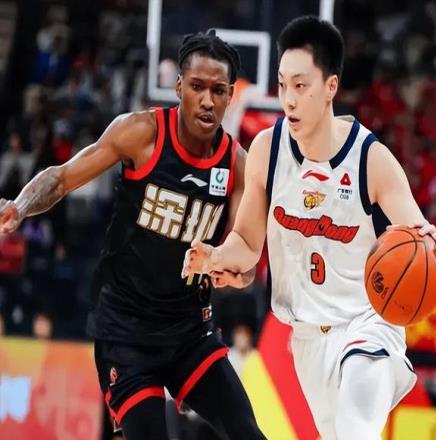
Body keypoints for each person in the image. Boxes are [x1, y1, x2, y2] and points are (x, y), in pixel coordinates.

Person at [183, 16, 436, 440]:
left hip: (367, 325)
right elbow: (247, 243)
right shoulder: (267, 151)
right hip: (307, 338)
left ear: (330, 87)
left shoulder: (371, 160)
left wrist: (431, 246)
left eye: (301, 86)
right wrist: (214, 256)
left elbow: (420, 239)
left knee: (357, 430)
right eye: (282, 85)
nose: (288, 99)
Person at [0, 30, 265, 440]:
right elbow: (62, 178)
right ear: (179, 87)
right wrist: (19, 207)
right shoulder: (141, 133)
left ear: (231, 95)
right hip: (126, 333)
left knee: (247, 432)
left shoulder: (238, 166)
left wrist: (232, 272)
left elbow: (244, 259)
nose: (207, 100)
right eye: (197, 87)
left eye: (218, 90)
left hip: (189, 332)